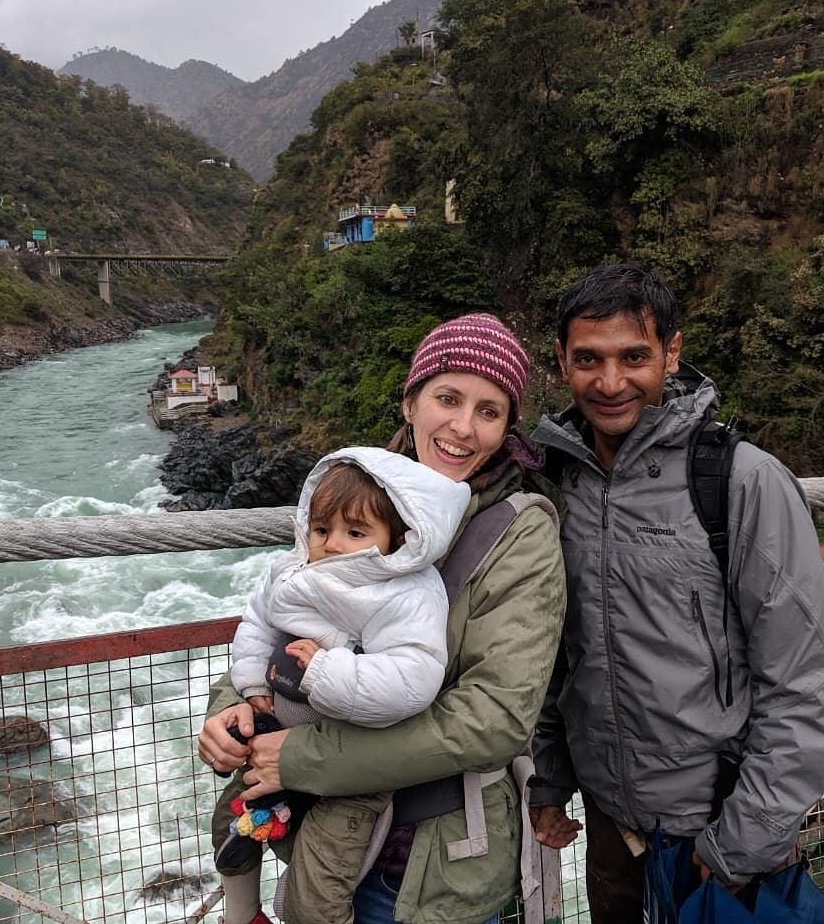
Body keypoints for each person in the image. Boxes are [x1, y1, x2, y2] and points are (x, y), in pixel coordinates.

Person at [198, 312, 567, 924]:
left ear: (507, 428)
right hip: (319, 833)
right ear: (411, 401)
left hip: (432, 871)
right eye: (447, 399)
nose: (462, 428)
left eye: (488, 411)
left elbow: (495, 719)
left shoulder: (519, 535)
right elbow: (289, 609)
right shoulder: (362, 494)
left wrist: (300, 758)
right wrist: (235, 706)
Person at [528, 264, 824, 922]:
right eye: (588, 359)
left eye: (634, 357)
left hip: (718, 836)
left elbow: (807, 679)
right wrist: (552, 777)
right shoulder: (558, 485)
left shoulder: (742, 482)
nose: (610, 382)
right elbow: (561, 652)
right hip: (614, 833)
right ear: (562, 360)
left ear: (672, 353)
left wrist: (739, 844)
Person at [213, 447, 471, 924]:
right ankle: (243, 915)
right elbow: (257, 622)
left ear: (395, 540)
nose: (332, 545)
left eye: (355, 533)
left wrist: (328, 671)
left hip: (355, 758)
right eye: (321, 529)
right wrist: (249, 687)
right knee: (228, 820)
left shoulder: (405, 593)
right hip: (280, 731)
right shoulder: (293, 571)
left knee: (319, 882)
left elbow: (413, 678)